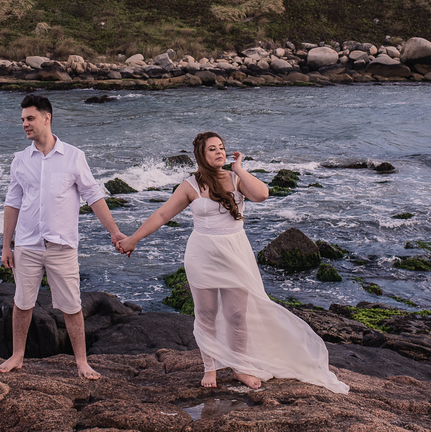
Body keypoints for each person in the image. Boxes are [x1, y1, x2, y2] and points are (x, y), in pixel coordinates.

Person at [115, 132, 349, 393]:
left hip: (235, 252)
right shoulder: (190, 185)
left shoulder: (236, 179)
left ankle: (240, 367)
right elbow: (161, 214)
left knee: (237, 315)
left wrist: (239, 168)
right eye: (212, 149)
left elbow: (262, 195)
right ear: (201, 156)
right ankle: (210, 367)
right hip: (202, 253)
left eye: (222, 148)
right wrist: (133, 239)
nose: (219, 152)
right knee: (206, 314)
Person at [0, 94, 125, 380]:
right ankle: (17, 356)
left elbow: (93, 196)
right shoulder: (20, 160)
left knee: (72, 306)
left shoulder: (74, 157)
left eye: (30, 118)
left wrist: (115, 232)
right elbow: (12, 203)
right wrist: (6, 245)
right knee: (22, 303)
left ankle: (81, 362)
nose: (25, 124)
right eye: (22, 120)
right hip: (27, 244)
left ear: (46, 118)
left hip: (62, 246)